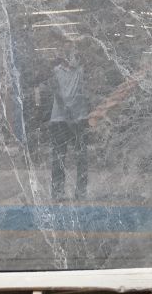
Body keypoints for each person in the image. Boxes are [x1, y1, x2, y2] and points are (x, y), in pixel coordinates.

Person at [49, 42, 89, 201]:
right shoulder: (56, 71)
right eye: (68, 51)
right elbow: (57, 94)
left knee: (82, 157)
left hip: (79, 119)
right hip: (59, 120)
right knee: (58, 156)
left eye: (73, 50)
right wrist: (67, 114)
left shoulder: (81, 71)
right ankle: (57, 192)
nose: (71, 54)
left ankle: (81, 192)